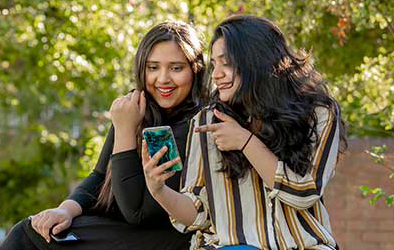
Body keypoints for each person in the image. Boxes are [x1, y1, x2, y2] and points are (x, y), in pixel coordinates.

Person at [0, 20, 207, 250]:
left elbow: (137, 212)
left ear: (194, 70)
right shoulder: (136, 108)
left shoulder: (196, 125)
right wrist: (65, 210)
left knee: (30, 238)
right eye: (153, 67)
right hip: (125, 231)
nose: (163, 79)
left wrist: (126, 131)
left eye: (176, 68)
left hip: (170, 237)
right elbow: (99, 176)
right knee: (32, 230)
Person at [142, 15, 347, 250]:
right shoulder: (208, 120)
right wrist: (158, 190)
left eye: (226, 63)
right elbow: (198, 214)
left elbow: (304, 193)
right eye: (214, 64)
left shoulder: (318, 113)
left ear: (255, 60)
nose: (216, 74)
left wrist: (245, 141)